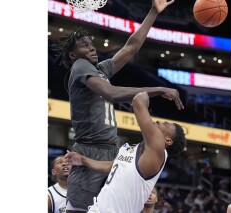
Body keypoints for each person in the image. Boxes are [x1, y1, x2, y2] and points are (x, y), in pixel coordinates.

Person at [55, 0, 183, 212]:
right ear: (73, 54)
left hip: (110, 151)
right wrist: (158, 90)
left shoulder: (100, 70)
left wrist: (153, 12)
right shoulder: (80, 67)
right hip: (90, 147)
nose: (91, 47)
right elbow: (111, 93)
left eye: (91, 43)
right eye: (84, 45)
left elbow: (131, 47)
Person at [65, 91, 187, 213]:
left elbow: (138, 100)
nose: (159, 122)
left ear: (168, 140)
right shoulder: (130, 149)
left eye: (165, 124)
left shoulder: (157, 152)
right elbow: (114, 167)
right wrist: (83, 160)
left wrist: (160, 90)